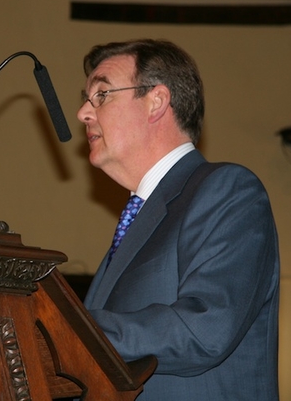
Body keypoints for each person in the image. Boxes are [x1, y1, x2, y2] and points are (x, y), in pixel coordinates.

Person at [78, 39, 280, 400]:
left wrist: (68, 329)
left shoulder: (228, 191)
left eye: (102, 94)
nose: (83, 113)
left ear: (156, 101)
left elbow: (205, 328)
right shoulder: (137, 221)